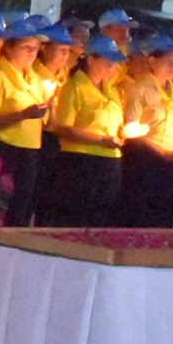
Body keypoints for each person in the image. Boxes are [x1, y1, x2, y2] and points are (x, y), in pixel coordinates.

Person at [0, 24, 51, 227]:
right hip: (5, 148)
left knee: (22, 206)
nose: (32, 52)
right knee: (1, 205)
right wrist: (23, 115)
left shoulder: (35, 80)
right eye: (26, 46)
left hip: (31, 149)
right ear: (9, 48)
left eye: (35, 47)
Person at [43, 36, 127, 226]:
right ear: (91, 59)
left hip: (110, 159)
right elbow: (63, 128)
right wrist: (99, 140)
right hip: (81, 161)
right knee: (76, 214)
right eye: (107, 62)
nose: (111, 67)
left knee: (102, 215)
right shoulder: (74, 88)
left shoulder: (111, 90)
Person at [119, 34, 173, 227]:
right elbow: (130, 129)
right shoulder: (141, 89)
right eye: (168, 62)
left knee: (168, 213)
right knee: (147, 213)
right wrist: (161, 153)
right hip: (147, 160)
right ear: (152, 60)